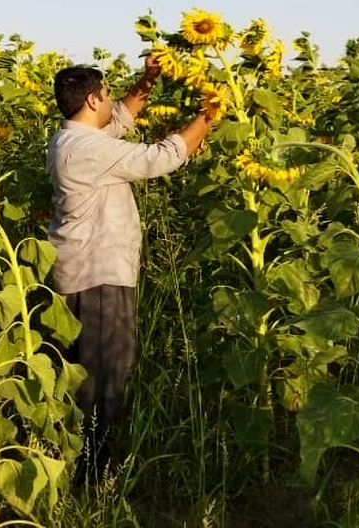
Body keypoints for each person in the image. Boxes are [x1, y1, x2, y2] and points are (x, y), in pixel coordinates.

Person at [46, 56, 215, 482]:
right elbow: (163, 157)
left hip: (82, 273)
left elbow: (120, 117)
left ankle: (69, 459)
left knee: (83, 371)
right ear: (92, 99)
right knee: (105, 373)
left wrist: (148, 80)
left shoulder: (74, 138)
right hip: (98, 276)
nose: (110, 100)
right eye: (106, 93)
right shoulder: (88, 150)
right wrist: (209, 113)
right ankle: (92, 472)